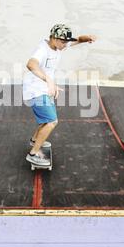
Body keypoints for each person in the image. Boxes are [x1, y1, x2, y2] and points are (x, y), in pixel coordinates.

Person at [23, 23, 96, 166]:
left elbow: (78, 40)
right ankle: (33, 154)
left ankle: (34, 140)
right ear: (53, 38)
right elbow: (31, 64)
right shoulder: (42, 50)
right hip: (35, 89)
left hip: (44, 88)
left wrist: (86, 38)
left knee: (46, 119)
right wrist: (48, 80)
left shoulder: (59, 44)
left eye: (66, 42)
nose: (65, 45)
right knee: (52, 121)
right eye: (63, 42)